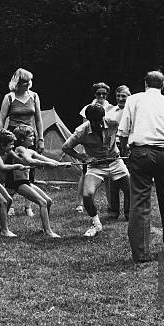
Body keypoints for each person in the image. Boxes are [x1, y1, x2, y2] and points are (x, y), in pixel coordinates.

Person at [117, 70, 164, 263]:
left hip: (140, 153)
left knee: (139, 201)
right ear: (163, 85)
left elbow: (123, 131)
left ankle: (140, 253)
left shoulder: (134, 100)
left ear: (145, 83)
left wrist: (125, 153)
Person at [62, 103, 130, 237]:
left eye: (101, 121)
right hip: (96, 166)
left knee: (132, 189)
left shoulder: (113, 123)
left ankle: (130, 215)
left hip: (115, 161)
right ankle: (96, 224)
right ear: (89, 120)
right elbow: (66, 147)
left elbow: (125, 133)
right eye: (96, 122)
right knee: (87, 195)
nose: (100, 125)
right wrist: (83, 157)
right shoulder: (81, 131)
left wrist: (126, 148)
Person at [0, 68, 45, 217]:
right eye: (24, 81)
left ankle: (28, 205)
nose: (28, 84)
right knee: (12, 170)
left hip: (29, 136)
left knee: (30, 168)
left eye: (29, 81)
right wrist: (0, 139)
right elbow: (1, 120)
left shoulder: (34, 96)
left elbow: (38, 119)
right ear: (17, 82)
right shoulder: (9, 97)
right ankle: (10, 202)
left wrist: (40, 138)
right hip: (13, 137)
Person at [9, 125, 71, 238]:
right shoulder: (19, 149)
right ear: (22, 139)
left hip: (26, 182)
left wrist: (61, 164)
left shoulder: (30, 150)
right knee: (42, 202)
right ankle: (48, 231)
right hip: (18, 183)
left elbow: (45, 159)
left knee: (48, 201)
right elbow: (29, 161)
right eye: (31, 136)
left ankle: (44, 228)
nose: (33, 138)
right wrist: (48, 165)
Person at [0, 130, 31, 237]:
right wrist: (17, 167)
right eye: (10, 144)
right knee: (3, 201)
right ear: (2, 145)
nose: (12, 147)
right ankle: (4, 230)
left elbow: (19, 159)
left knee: (9, 200)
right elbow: (3, 167)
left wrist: (32, 163)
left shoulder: (8, 151)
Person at [75, 82, 115, 213]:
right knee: (85, 172)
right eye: (99, 93)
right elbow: (83, 129)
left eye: (104, 93)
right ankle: (79, 203)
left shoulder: (111, 108)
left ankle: (111, 204)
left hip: (106, 146)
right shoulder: (87, 108)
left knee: (109, 176)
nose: (102, 96)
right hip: (90, 145)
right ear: (94, 94)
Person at [106, 85, 132, 220]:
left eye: (124, 96)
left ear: (129, 97)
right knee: (113, 179)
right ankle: (113, 211)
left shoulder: (133, 111)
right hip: (113, 146)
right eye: (118, 96)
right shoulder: (110, 111)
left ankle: (129, 212)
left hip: (128, 146)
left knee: (129, 180)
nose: (121, 98)